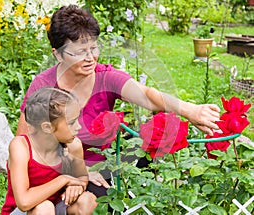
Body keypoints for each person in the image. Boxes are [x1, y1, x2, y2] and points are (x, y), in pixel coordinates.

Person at [16, 5, 220, 194]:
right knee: (91, 200)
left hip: (105, 166)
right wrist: (79, 173)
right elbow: (25, 145)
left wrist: (191, 110)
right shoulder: (43, 86)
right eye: (80, 52)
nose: (90, 58)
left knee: (149, 136)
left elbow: (148, 96)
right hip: (57, 173)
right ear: (58, 55)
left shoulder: (105, 76)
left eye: (93, 48)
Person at [1, 87, 97, 215]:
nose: (78, 127)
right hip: (26, 211)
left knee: (88, 200)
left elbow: (81, 177)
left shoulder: (73, 146)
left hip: (55, 208)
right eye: (72, 122)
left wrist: (77, 186)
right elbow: (24, 202)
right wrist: (63, 180)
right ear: (47, 127)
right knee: (44, 208)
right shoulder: (21, 147)